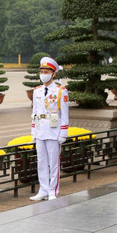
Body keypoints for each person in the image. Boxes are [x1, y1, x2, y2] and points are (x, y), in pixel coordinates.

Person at [30, 57, 69, 201]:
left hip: (54, 131)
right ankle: (43, 189)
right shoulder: (37, 91)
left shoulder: (60, 91)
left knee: (53, 163)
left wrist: (63, 133)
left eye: (46, 72)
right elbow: (34, 113)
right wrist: (33, 131)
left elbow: (64, 114)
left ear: (53, 74)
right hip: (41, 130)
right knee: (41, 162)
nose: (43, 74)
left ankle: (53, 190)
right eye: (41, 72)